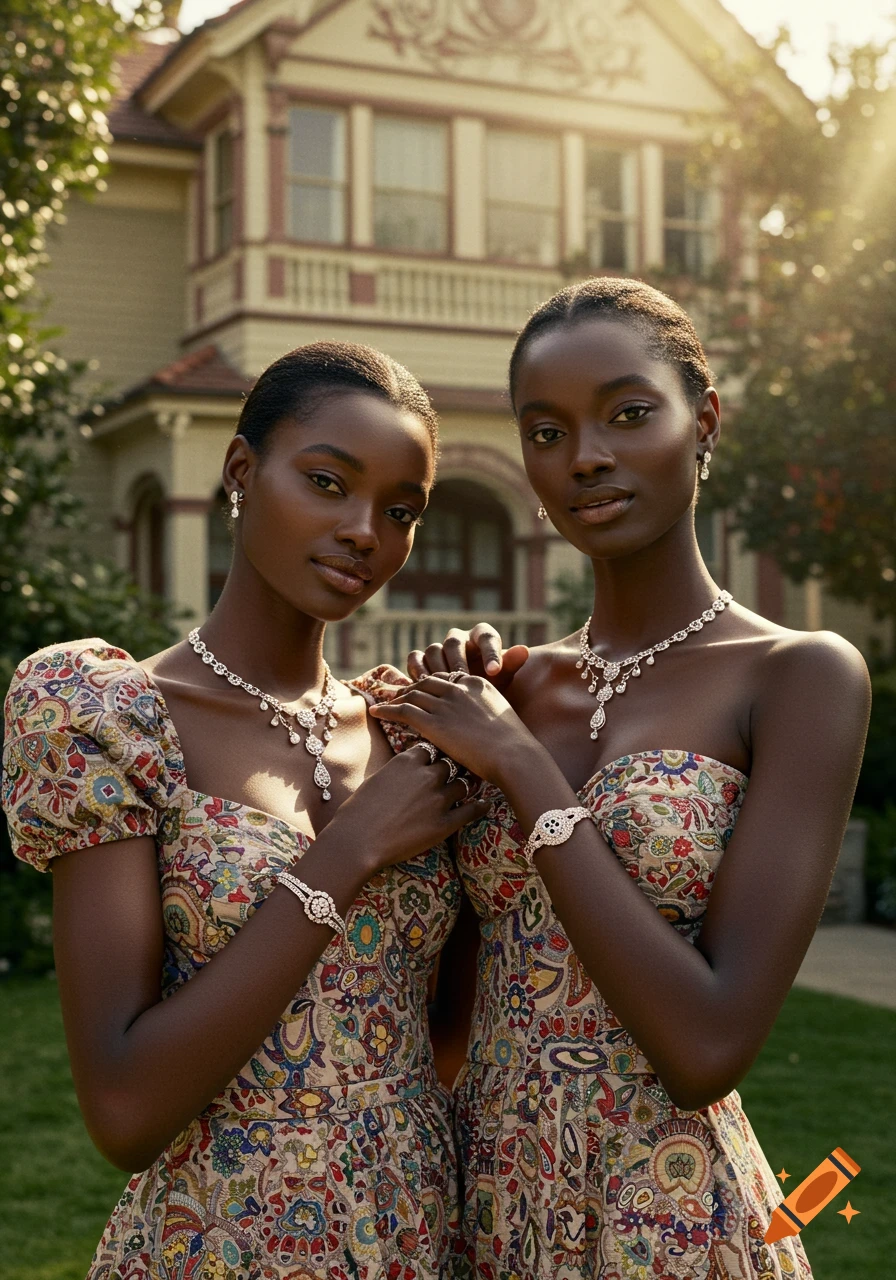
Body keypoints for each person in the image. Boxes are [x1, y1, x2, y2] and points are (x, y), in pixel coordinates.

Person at [368, 279, 871, 1280]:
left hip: (665, 1220)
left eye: (627, 413)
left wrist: (517, 763)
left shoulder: (798, 674)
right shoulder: (506, 684)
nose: (584, 457)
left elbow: (705, 1042)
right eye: (544, 430)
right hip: (479, 1213)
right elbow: (442, 1012)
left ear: (703, 420)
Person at [2, 342, 489, 1280]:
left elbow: (446, 1037)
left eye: (401, 511)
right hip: (216, 1244)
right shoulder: (110, 717)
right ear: (240, 472)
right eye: (326, 482)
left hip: (418, 1242)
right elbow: (125, 1110)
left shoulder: (409, 735)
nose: (364, 532)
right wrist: (348, 850)